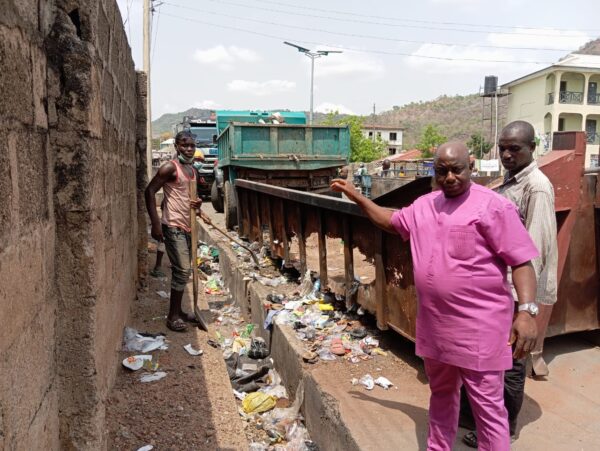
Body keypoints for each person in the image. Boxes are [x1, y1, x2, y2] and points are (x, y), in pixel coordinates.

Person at [331, 141, 539, 451]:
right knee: (441, 396)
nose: (450, 177)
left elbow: (521, 261)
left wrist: (526, 312)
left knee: (488, 409)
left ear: (471, 166)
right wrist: (358, 197)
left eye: (457, 170)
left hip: (479, 331)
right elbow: (390, 221)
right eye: (442, 171)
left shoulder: (493, 206)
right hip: (436, 328)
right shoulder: (425, 205)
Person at [459, 121, 558, 447]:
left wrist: (524, 307)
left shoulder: (536, 187)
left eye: (514, 149)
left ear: (532, 148)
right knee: (486, 356)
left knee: (512, 362)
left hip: (517, 292)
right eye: (502, 148)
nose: (506, 154)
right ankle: (474, 415)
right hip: (500, 289)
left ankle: (503, 428)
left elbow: (534, 250)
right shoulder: (509, 181)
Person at [145, 131, 203, 332]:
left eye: (192, 145)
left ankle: (179, 311)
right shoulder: (170, 168)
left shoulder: (192, 170)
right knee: (182, 270)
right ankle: (172, 317)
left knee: (184, 270)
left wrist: (197, 204)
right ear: (177, 147)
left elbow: (190, 197)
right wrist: (155, 223)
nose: (189, 149)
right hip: (172, 225)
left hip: (188, 225)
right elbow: (149, 191)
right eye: (185, 145)